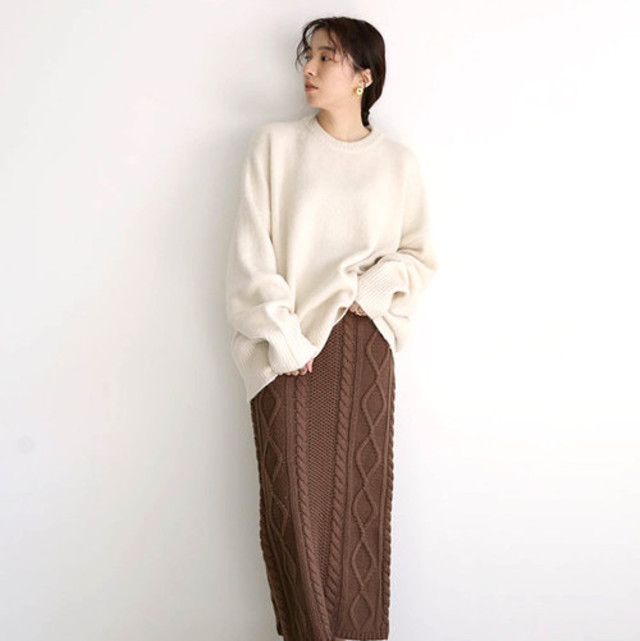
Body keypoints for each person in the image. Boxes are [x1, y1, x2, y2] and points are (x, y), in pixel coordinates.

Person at [225, 16, 438, 641]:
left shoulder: (397, 164)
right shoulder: (275, 146)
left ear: (363, 77)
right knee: (292, 512)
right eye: (309, 55)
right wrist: (285, 338)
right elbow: (250, 256)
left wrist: (373, 290)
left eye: (327, 57)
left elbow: (419, 258)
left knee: (355, 516)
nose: (310, 69)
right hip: (287, 349)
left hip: (363, 344)